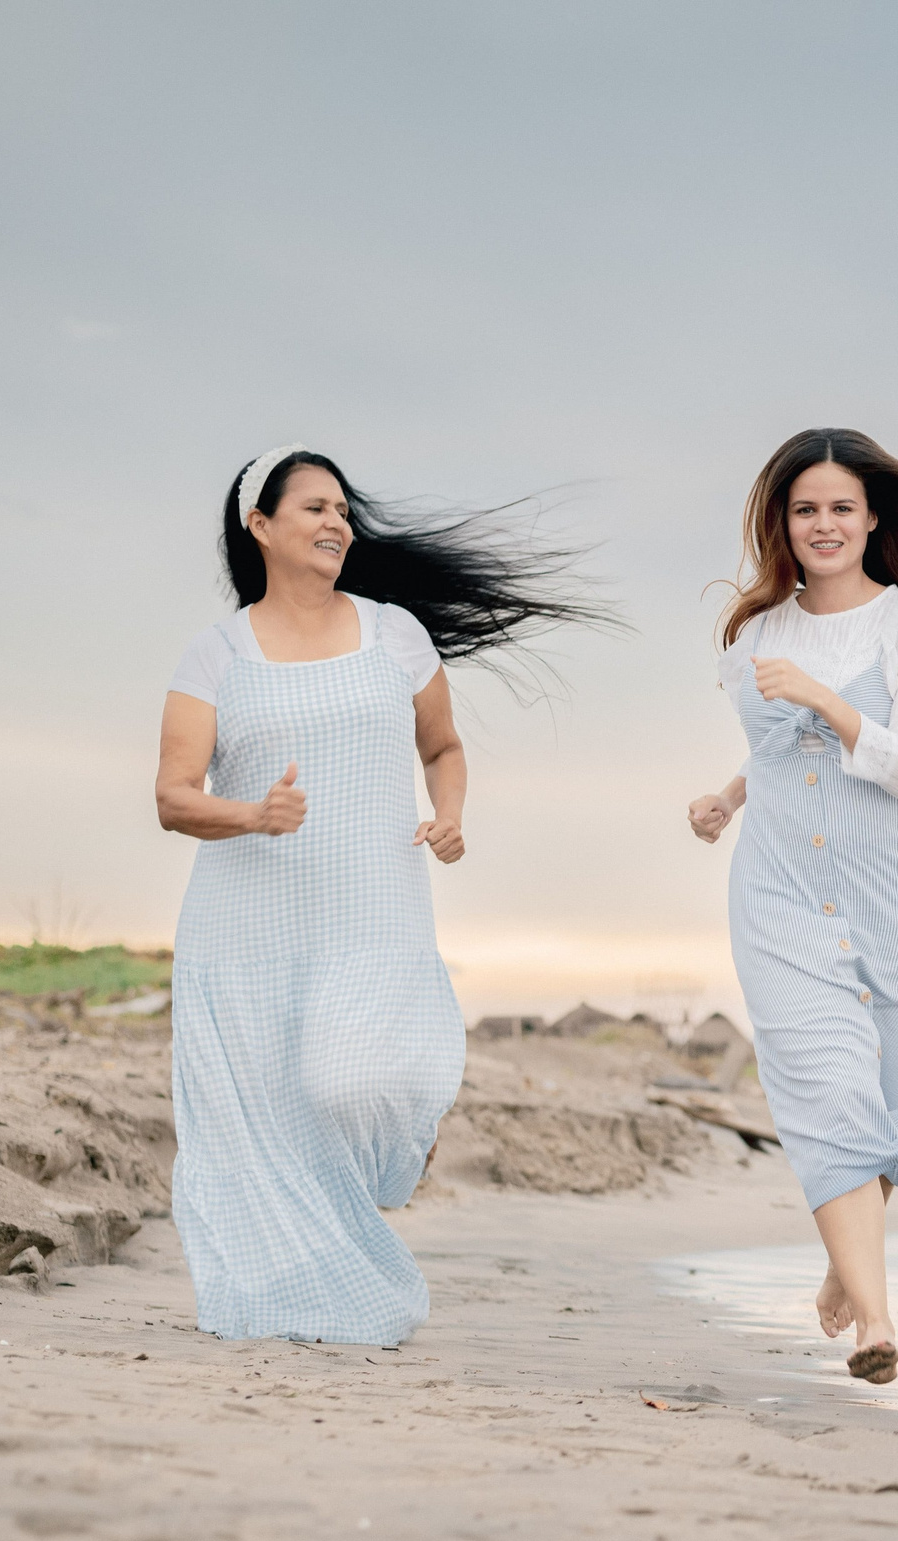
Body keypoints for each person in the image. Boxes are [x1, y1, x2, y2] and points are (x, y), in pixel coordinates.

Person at [155, 444, 603, 1343]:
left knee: (356, 1080)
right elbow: (173, 797)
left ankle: (397, 1149)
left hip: (371, 913)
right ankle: (280, 1300)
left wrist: (450, 814)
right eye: (314, 507)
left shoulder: (395, 633)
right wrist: (253, 812)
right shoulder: (216, 654)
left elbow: (443, 747)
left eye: (342, 511)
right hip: (244, 928)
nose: (335, 523)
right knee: (260, 1127)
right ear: (260, 527)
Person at [685, 428, 898, 1386]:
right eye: (805, 509)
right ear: (784, 522)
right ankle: (877, 1325)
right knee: (822, 1082)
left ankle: (841, 1260)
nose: (823, 524)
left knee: (881, 1099)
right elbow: (779, 753)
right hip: (778, 890)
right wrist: (728, 797)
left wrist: (826, 699)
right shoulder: (757, 634)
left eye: (840, 508)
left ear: (872, 519)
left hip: (890, 893)